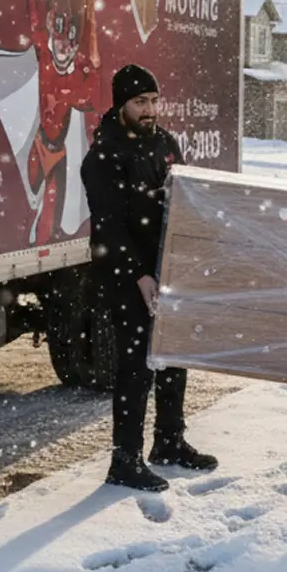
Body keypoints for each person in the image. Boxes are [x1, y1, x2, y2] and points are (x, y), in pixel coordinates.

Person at [81, 63, 217, 492]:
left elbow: (184, 197)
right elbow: (109, 226)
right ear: (121, 105)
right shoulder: (103, 155)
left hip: (167, 267)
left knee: (173, 355)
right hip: (127, 274)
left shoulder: (164, 143)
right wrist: (139, 275)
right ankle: (125, 460)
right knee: (137, 366)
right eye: (140, 102)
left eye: (155, 101)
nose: (150, 110)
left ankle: (169, 441)